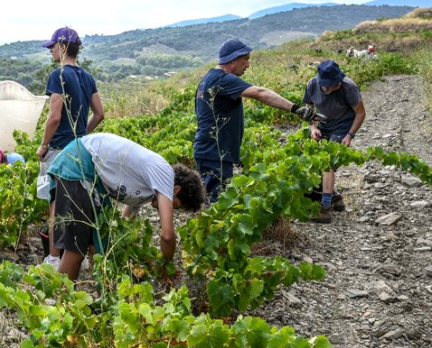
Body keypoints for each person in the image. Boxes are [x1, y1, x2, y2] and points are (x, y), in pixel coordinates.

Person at [48, 133, 205, 281]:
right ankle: (60, 303)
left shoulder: (146, 189)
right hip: (79, 165)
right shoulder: (165, 175)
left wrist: (139, 259)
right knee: (76, 251)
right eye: (175, 206)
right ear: (176, 190)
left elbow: (123, 226)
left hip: (90, 177)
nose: (169, 209)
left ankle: (100, 300)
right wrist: (167, 265)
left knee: (99, 246)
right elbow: (167, 235)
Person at [194, 38, 322, 203]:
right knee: (218, 203)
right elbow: (260, 92)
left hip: (209, 150)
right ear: (232, 60)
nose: (248, 64)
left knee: (215, 199)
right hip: (215, 152)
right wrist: (296, 109)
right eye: (245, 59)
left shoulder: (207, 79)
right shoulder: (223, 79)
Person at [37, 26, 105, 268]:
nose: (51, 52)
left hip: (59, 149)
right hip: (81, 148)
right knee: (81, 201)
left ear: (63, 47)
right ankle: (84, 257)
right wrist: (82, 135)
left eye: (53, 47)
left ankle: (55, 258)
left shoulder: (59, 74)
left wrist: (44, 145)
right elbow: (99, 113)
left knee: (56, 203)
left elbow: (54, 117)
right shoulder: (87, 77)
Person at [302, 59, 366, 223]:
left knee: (327, 162)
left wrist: (350, 135)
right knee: (312, 160)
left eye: (339, 80)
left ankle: (325, 208)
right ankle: (335, 197)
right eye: (334, 82)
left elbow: (360, 113)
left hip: (343, 126)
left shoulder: (348, 87)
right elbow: (309, 111)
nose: (338, 83)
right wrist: (313, 128)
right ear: (324, 84)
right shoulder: (312, 85)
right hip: (323, 125)